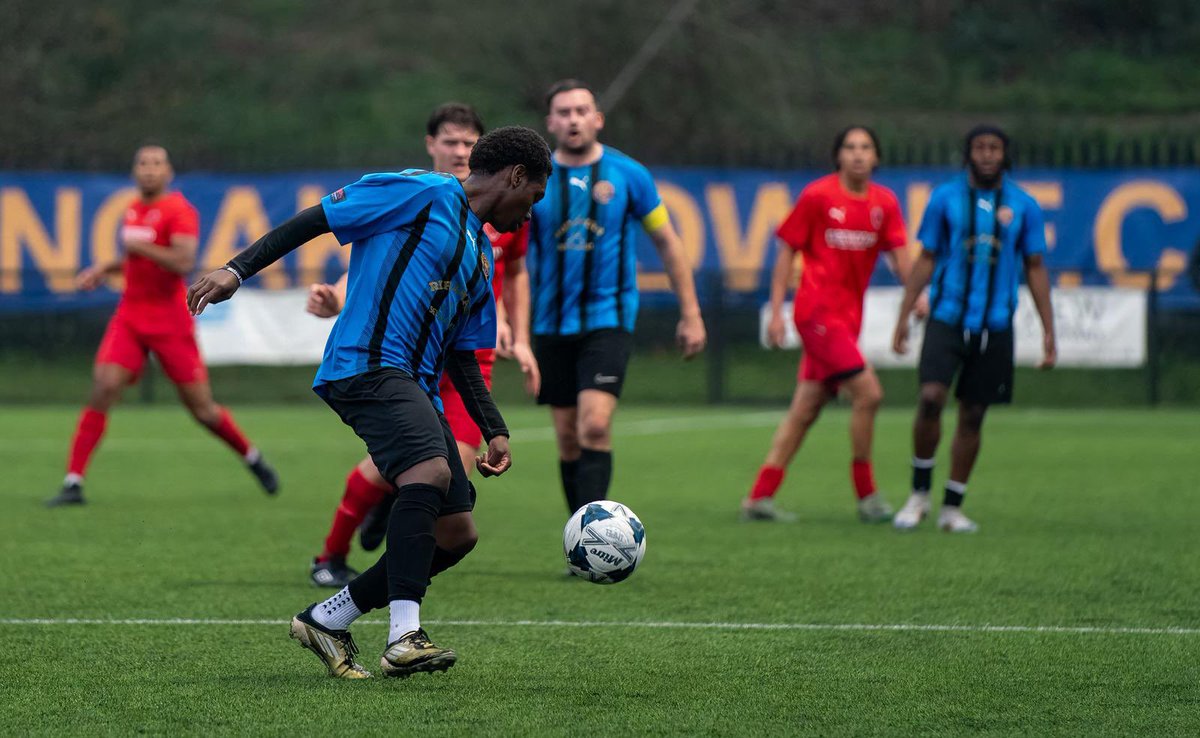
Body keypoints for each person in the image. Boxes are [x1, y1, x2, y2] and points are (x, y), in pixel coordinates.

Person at [187, 125, 550, 678]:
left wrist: (494, 427)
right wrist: (236, 270)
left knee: (457, 534)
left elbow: (462, 354)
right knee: (426, 471)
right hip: (366, 364)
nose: (531, 212)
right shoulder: (423, 191)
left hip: (416, 385)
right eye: (535, 196)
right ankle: (403, 636)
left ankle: (328, 618)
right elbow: (316, 219)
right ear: (516, 176)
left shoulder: (482, 258)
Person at [305, 103, 540, 588]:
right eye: (450, 141)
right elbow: (377, 264)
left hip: (470, 356)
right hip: (403, 360)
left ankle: (371, 585)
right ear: (431, 145)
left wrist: (523, 338)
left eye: (468, 142)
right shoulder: (418, 192)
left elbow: (516, 276)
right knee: (411, 467)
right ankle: (336, 558)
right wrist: (339, 298)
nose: (459, 150)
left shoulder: (506, 218)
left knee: (447, 478)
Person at [46, 144, 277, 507]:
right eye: (143, 163)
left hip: (170, 321)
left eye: (157, 164)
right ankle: (73, 482)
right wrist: (105, 270)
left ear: (168, 172)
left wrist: (141, 248)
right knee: (103, 387)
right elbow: (135, 257)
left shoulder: (178, 210)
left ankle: (252, 457)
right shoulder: (133, 209)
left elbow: (183, 260)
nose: (149, 169)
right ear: (135, 171)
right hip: (131, 316)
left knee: (202, 410)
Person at [528, 79, 706, 517]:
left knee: (595, 424)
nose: (573, 119)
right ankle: (580, 541)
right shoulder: (534, 181)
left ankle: (595, 537)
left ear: (598, 119)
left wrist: (691, 313)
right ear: (551, 122)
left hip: (609, 317)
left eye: (582, 111)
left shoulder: (630, 175)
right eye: (564, 112)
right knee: (568, 437)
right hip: (550, 322)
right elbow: (508, 256)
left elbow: (667, 241)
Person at [741, 126, 919, 523]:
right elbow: (787, 249)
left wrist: (918, 296)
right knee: (869, 394)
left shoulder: (884, 202)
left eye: (865, 147)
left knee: (805, 409)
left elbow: (901, 258)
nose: (857, 154)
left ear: (876, 157)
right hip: (816, 314)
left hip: (848, 319)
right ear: (838, 156)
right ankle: (867, 495)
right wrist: (775, 311)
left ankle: (758, 498)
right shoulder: (818, 196)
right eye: (850, 147)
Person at [891, 125, 1056, 533]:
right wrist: (904, 314)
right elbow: (926, 258)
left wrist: (1049, 331)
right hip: (947, 317)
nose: (986, 155)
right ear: (968, 154)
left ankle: (952, 507)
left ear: (1005, 155)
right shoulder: (945, 197)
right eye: (979, 148)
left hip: (995, 325)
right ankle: (918, 495)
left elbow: (1035, 268)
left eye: (994, 148)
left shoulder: (1024, 205)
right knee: (930, 398)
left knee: (974, 413)